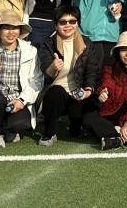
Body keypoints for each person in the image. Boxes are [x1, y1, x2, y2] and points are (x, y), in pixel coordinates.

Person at [0, 9, 44, 148]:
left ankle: (8, 127)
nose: (11, 32)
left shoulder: (31, 51)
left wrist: (22, 100)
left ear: (20, 31)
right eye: (6, 28)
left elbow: (37, 80)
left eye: (15, 28)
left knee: (19, 124)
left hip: (18, 99)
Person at [81, 32, 127, 149]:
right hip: (111, 117)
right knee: (88, 118)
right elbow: (106, 84)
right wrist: (102, 92)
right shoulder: (109, 69)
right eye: (123, 50)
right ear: (118, 52)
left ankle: (118, 136)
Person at [35, 8, 89, 145]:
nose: (68, 25)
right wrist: (53, 67)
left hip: (77, 93)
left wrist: (88, 90)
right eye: (63, 22)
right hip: (54, 95)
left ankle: (76, 126)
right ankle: (49, 133)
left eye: (72, 21)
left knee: (83, 104)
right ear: (56, 25)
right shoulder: (48, 44)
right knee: (56, 91)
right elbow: (44, 71)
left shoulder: (87, 43)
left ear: (78, 23)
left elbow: (92, 71)